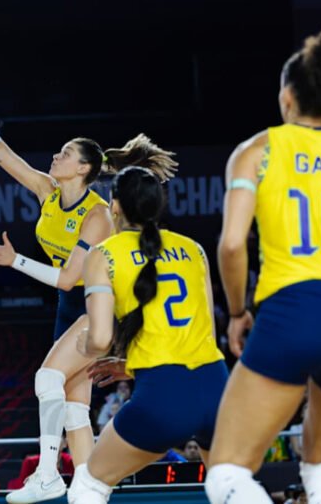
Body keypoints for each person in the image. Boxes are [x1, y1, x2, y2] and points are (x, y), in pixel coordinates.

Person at [0, 89, 179, 504]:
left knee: (47, 380)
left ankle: (47, 475)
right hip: (70, 309)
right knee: (75, 409)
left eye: (65, 154)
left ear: (83, 168)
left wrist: (14, 261)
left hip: (100, 305)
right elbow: (2, 155)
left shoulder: (98, 215)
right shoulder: (47, 191)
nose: (55, 157)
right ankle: (89, 494)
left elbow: (66, 279)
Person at [204, 27, 321, 504]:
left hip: (295, 308)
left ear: (286, 97)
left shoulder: (257, 151)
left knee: (227, 472)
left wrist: (237, 312)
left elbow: (232, 246)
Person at [64, 166, 227, 503]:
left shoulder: (103, 254)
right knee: (230, 488)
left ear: (114, 205)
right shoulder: (194, 250)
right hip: (216, 387)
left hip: (162, 397)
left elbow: (100, 339)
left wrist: (86, 344)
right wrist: (131, 365)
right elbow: (205, 335)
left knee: (89, 484)